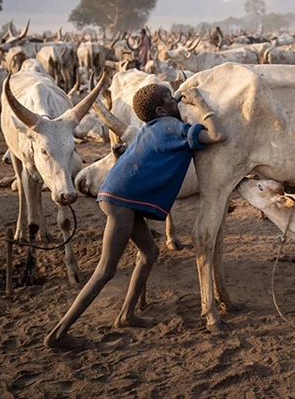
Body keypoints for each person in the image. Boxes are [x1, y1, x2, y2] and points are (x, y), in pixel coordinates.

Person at [44, 84, 227, 348]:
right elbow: (218, 135)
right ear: (161, 110)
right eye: (170, 97)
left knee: (150, 253)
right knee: (105, 270)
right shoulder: (171, 127)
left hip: (118, 196)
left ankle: (126, 314)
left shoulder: (150, 128)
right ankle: (58, 334)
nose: (176, 98)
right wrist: (199, 101)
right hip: (122, 201)